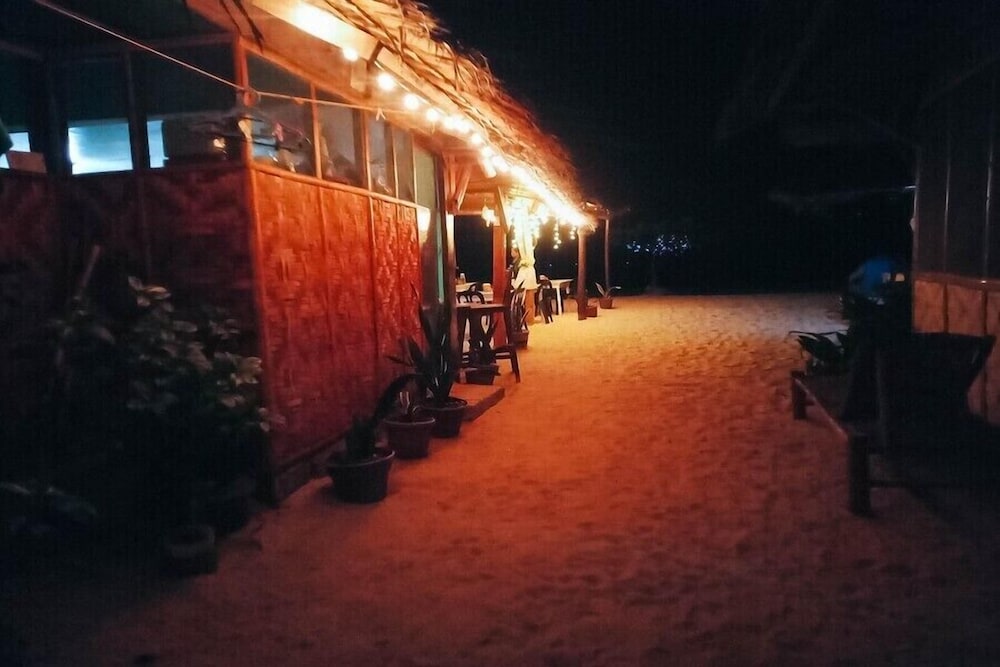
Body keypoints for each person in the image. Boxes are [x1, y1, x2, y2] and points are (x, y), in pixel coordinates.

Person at [510, 247, 538, 324]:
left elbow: (515, 274)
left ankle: (527, 318)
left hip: (520, 284)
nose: (511, 253)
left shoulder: (521, 263)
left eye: (512, 251)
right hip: (517, 283)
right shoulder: (515, 262)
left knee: (527, 300)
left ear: (517, 252)